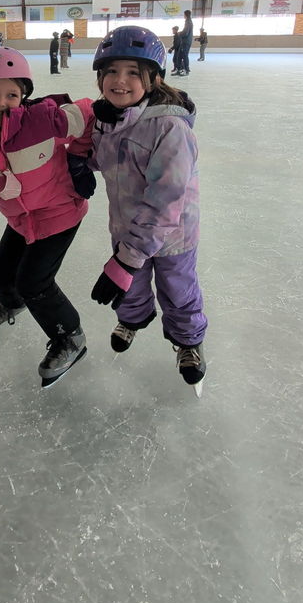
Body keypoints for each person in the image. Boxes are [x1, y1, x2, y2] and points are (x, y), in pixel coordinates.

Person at [0, 46, 94, 388]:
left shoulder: (42, 118)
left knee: (34, 283)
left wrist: (79, 157)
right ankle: (14, 305)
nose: (1, 102)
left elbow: (89, 112)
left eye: (11, 94)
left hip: (60, 213)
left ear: (23, 95)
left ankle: (70, 337)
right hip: (21, 219)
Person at [88, 25, 208, 394]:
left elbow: (166, 197)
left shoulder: (169, 126)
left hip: (172, 235)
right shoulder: (107, 120)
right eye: (111, 71)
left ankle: (188, 341)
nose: (119, 81)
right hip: (126, 227)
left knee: (177, 289)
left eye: (132, 73)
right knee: (131, 288)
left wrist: (127, 258)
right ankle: (133, 319)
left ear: (153, 79)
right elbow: (104, 158)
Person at [179, 9, 194, 75]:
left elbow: (185, 33)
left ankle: (186, 70)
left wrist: (179, 33)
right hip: (187, 41)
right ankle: (183, 69)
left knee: (184, 55)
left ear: (185, 15)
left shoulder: (188, 22)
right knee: (182, 55)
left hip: (186, 41)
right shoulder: (189, 21)